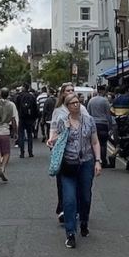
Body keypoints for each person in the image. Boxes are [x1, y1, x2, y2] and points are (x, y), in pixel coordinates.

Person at [48, 92, 102, 249]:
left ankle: (84, 222)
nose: (76, 105)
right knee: (69, 200)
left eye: (77, 102)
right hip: (68, 164)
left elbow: (95, 141)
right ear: (67, 106)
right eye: (72, 103)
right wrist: (52, 141)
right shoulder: (62, 122)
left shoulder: (89, 120)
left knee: (85, 196)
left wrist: (98, 161)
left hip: (86, 163)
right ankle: (70, 233)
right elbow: (57, 140)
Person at [50, 83, 76, 221]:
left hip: (77, 150)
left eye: (72, 90)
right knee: (62, 181)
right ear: (62, 93)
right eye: (68, 90)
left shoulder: (80, 109)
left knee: (76, 182)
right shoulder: (58, 110)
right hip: (61, 149)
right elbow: (53, 128)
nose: (71, 92)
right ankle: (62, 209)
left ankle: (74, 207)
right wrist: (51, 140)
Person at [0, 87, 18, 184]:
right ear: (8, 94)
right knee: (6, 153)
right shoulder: (11, 105)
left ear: (0, 94)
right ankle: (2, 168)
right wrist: (15, 131)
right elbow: (13, 119)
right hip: (5, 131)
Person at [87, 84, 116, 168]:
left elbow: (88, 113)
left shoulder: (91, 101)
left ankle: (94, 159)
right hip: (103, 124)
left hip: (93, 124)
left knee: (94, 143)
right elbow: (108, 114)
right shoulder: (105, 101)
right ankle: (103, 161)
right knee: (103, 144)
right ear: (103, 91)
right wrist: (110, 126)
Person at [15, 85, 38, 157]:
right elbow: (35, 108)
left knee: (21, 135)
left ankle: (22, 152)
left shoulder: (19, 96)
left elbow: (17, 107)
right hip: (30, 118)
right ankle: (30, 152)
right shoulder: (32, 97)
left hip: (21, 118)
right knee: (29, 135)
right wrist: (34, 118)